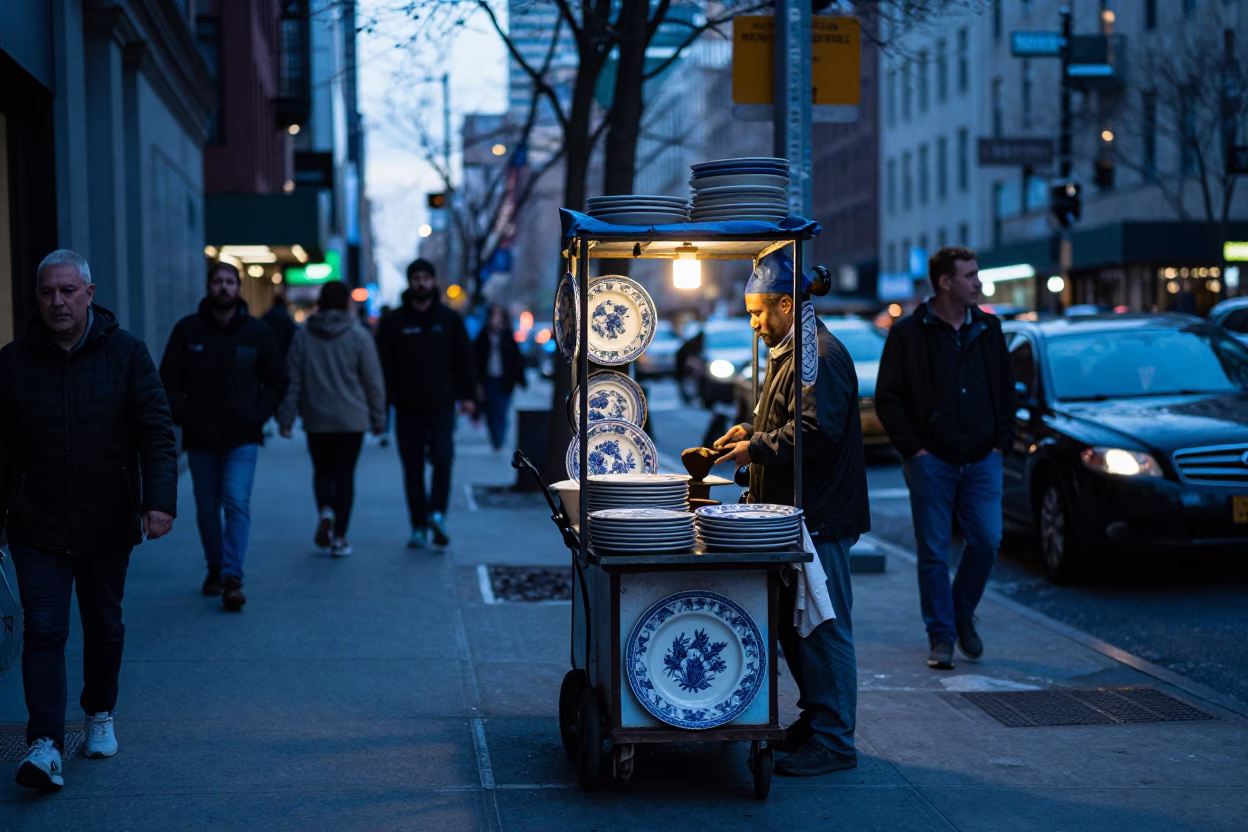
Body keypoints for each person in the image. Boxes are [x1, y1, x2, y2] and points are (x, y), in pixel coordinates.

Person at [0, 250, 177, 791]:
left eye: (68, 291)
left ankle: (99, 712)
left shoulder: (126, 354)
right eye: (47, 292)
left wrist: (158, 501)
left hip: (106, 519)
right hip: (37, 523)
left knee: (103, 625)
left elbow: (156, 430)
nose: (57, 301)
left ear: (89, 294)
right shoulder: (13, 362)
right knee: (44, 630)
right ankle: (46, 742)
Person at [712, 250, 870, 777]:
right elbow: (786, 420)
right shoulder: (793, 349)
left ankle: (834, 741)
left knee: (822, 628)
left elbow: (813, 432)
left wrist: (753, 450)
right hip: (797, 516)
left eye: (759, 312)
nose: (753, 323)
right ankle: (816, 722)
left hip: (819, 516)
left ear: (786, 303)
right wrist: (748, 434)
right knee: (795, 626)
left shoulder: (817, 356)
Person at [875, 246, 1015, 671]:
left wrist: (1000, 442)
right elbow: (888, 398)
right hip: (931, 461)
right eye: (970, 275)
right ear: (945, 282)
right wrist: (914, 450)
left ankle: (960, 612)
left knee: (987, 540)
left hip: (982, 458)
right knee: (934, 551)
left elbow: (1007, 391)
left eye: (977, 274)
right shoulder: (908, 333)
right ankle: (941, 636)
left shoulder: (989, 329)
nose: (978, 282)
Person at [160, 262, 288, 610]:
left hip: (242, 437)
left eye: (230, 282)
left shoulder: (258, 333)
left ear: (239, 287)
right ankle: (214, 567)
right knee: (205, 509)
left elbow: (278, 379)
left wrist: (258, 415)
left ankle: (233, 576)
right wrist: (185, 416)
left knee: (235, 501)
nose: (224, 288)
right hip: (201, 439)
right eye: (218, 282)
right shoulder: (188, 331)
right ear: (208, 287)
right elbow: (168, 378)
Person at [277, 281, 387, 556]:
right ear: (347, 303)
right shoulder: (359, 336)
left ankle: (326, 509)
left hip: (317, 418)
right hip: (352, 419)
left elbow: (293, 380)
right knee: (345, 475)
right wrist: (378, 418)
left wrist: (286, 418)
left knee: (323, 471)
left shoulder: (304, 336)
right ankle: (339, 538)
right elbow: (372, 381)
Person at [376, 259, 476, 549]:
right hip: (406, 408)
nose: (421, 283)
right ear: (410, 282)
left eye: (425, 277)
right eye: (416, 278)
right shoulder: (394, 322)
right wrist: (383, 406)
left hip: (442, 405)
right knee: (413, 467)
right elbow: (383, 367)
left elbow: (464, 360)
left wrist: (468, 396)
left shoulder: (449, 319)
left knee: (444, 459)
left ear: (433, 281)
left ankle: (437, 515)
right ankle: (418, 525)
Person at [474, 305, 527, 451]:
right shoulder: (483, 336)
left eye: (498, 317)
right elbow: (476, 359)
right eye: (493, 317)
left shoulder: (507, 336)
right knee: (491, 409)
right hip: (488, 379)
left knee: (502, 409)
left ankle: (499, 438)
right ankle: (495, 435)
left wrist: (521, 379)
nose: (496, 320)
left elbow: (516, 359)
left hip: (505, 380)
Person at [261, 293, 298, 361]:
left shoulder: (267, 315)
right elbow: (293, 332)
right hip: (283, 350)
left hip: (269, 350)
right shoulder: (285, 316)